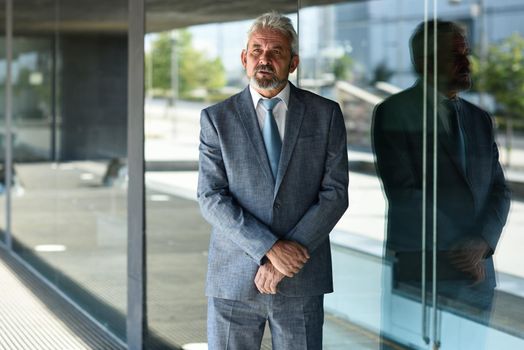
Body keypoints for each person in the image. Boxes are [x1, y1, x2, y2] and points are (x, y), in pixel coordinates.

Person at [197, 11, 349, 350]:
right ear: (244, 58)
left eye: (276, 52)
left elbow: (335, 194)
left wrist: (287, 259)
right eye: (257, 50)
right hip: (233, 279)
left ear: (292, 61)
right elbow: (211, 196)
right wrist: (270, 249)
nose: (264, 59)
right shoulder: (216, 119)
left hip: (301, 277)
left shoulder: (325, 115)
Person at [373, 20, 511, 322]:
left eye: (466, 53)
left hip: (478, 276)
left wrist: (481, 243)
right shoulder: (394, 113)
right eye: (455, 55)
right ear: (425, 62)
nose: (466, 62)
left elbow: (499, 190)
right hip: (423, 271)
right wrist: (463, 250)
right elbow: (406, 194)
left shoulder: (480, 120)